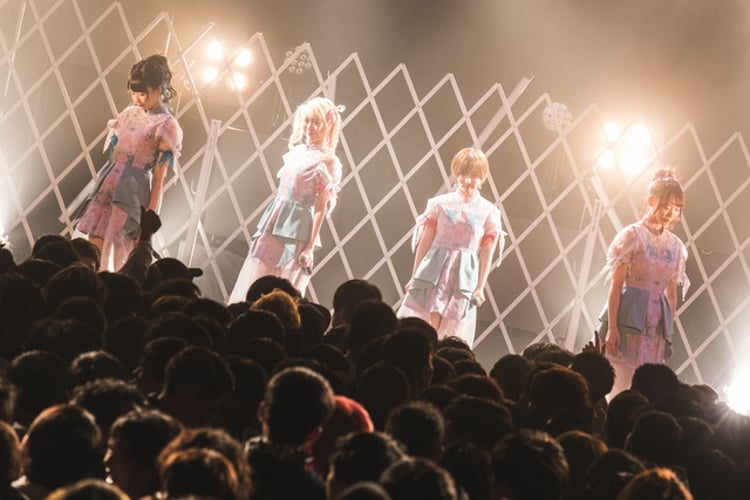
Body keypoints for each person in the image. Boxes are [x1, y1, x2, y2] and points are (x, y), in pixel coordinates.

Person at [228, 96, 344, 301]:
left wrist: (309, 247)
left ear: (329, 124)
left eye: (316, 122)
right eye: (307, 121)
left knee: (283, 284)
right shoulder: (297, 152)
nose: (310, 127)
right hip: (274, 221)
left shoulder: (328, 161)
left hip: (297, 229)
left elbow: (320, 207)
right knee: (257, 276)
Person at [74, 54, 183, 271]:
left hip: (133, 191)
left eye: (142, 93)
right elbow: (115, 154)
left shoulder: (166, 125)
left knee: (117, 250)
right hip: (108, 184)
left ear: (158, 89)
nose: (137, 98)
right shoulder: (128, 114)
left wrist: (149, 219)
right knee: (92, 246)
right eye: (133, 93)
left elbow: (159, 179)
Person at [397, 147, 504, 346]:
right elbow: (425, 241)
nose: (468, 180)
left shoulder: (488, 211)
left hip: (463, 275)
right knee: (422, 323)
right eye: (463, 174)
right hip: (433, 268)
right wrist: (414, 276)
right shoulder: (440, 204)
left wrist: (480, 287)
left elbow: (487, 253)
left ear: (482, 177)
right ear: (456, 174)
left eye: (474, 175)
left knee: (451, 329)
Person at [599, 168, 688, 395]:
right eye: (666, 206)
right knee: (619, 378)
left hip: (657, 322)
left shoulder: (676, 246)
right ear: (651, 201)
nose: (670, 213)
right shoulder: (632, 236)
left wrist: (667, 330)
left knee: (646, 384)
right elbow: (616, 286)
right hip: (629, 312)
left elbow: (671, 294)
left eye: (676, 208)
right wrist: (613, 328)